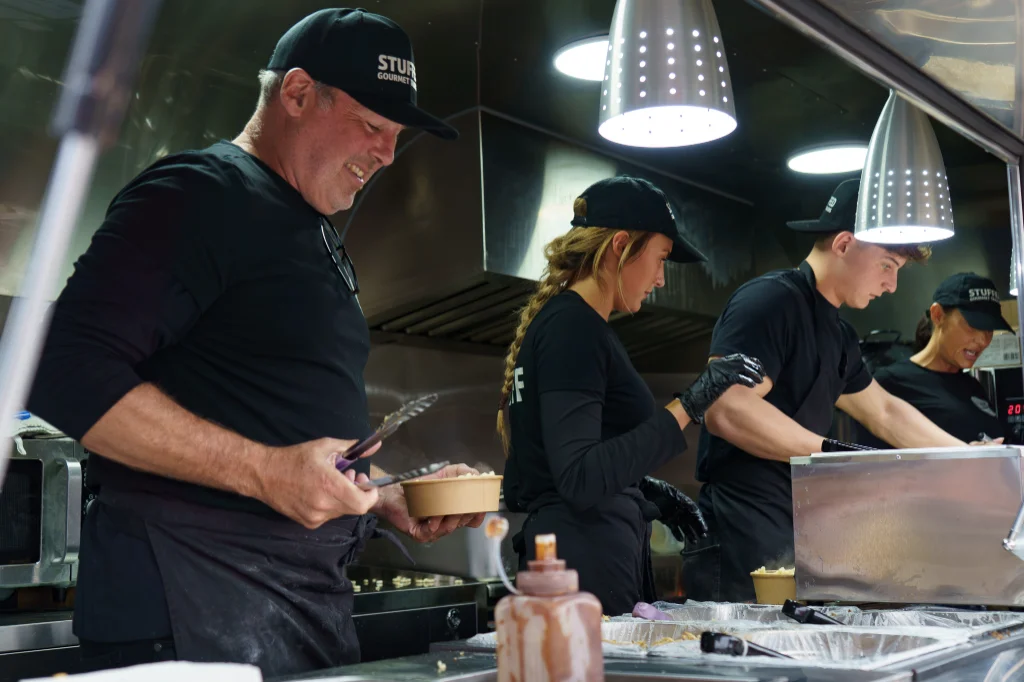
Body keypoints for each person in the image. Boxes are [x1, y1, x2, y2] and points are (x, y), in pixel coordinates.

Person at [27, 8, 484, 676]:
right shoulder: (200, 194)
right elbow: (64, 369)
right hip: (188, 611)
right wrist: (266, 474)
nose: (388, 155)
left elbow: (276, 422)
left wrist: (385, 495)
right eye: (372, 126)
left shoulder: (313, 230)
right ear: (297, 94)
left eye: (395, 135)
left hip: (291, 609)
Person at [684, 178, 990, 603]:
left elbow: (884, 412)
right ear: (844, 244)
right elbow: (727, 407)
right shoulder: (770, 301)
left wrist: (972, 458)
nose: (892, 286)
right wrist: (832, 454)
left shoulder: (839, 333)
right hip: (741, 530)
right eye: (887, 265)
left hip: (797, 530)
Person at [497, 176, 766, 616]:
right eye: (660, 258)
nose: (661, 279)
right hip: (586, 567)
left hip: (583, 557)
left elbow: (556, 468)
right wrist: (691, 404)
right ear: (621, 245)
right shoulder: (574, 328)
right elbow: (579, 478)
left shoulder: (567, 324)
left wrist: (644, 491)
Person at [855, 273, 1011, 446]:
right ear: (938, 315)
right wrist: (965, 457)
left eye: (989, 330)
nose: (983, 341)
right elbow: (874, 465)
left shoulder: (973, 386)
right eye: (973, 326)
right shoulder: (889, 383)